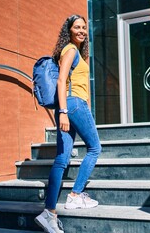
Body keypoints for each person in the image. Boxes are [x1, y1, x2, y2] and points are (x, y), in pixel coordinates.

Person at [35, 14, 102, 233]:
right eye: (77, 27)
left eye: (84, 27)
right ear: (69, 30)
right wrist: (63, 111)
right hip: (73, 105)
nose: (82, 31)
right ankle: (75, 195)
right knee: (95, 148)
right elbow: (61, 81)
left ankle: (49, 212)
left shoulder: (72, 51)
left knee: (62, 159)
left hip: (70, 106)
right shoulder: (71, 50)